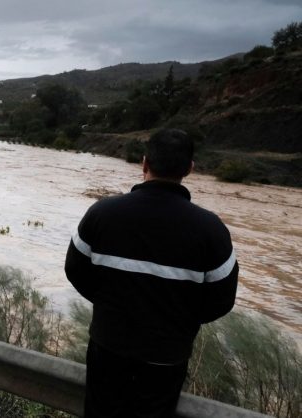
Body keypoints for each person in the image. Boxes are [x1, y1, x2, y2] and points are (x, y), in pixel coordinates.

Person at [64, 129, 238, 418]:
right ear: (190, 169)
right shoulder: (211, 229)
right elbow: (222, 299)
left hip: (108, 345)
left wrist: (110, 305)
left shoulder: (102, 213)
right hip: (167, 357)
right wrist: (179, 320)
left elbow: (75, 271)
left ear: (144, 163)